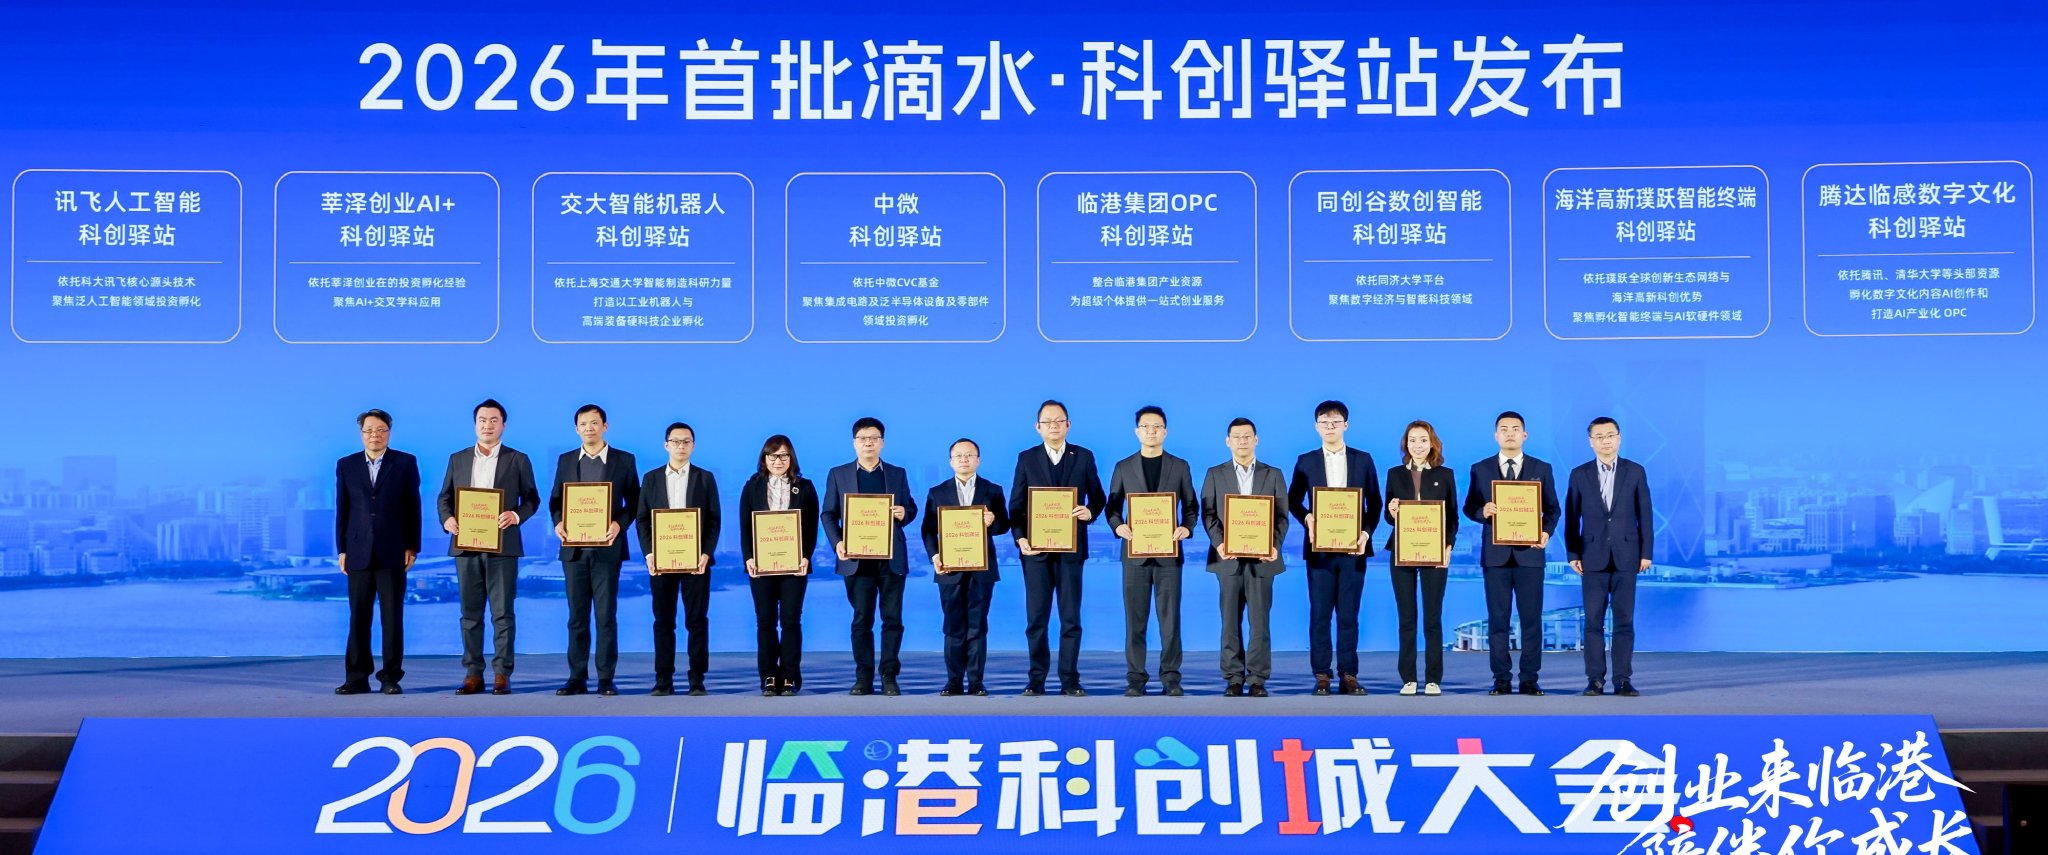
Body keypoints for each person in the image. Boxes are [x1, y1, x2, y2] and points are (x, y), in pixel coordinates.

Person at [437, 398, 540, 696]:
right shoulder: (457, 458)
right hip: (466, 545)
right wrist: (447, 519)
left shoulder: (517, 459)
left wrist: (516, 515)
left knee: (502, 613)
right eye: (482, 420)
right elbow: (444, 497)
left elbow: (532, 499)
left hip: (503, 546)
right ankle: (473, 673)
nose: (487, 425)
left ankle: (502, 673)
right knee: (470, 613)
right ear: (475, 424)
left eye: (494, 420)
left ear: (503, 425)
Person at [1008, 399, 1107, 697]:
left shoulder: (1083, 456)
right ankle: (1036, 680)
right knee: (1036, 620)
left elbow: (1098, 497)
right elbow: (1016, 505)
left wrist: (1090, 512)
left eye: (1059, 420)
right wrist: (1020, 538)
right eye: (1047, 421)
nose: (1054, 425)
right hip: (1035, 552)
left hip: (1071, 551)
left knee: (1070, 619)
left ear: (1068, 425)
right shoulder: (1027, 458)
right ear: (1037, 427)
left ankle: (1069, 680)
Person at [1461, 411, 1561, 697]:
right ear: (1496, 435)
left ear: (1524, 435)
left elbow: (1553, 509)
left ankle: (1529, 679)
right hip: (1496, 557)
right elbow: (1469, 507)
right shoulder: (1480, 469)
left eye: (1515, 429)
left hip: (1530, 556)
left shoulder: (1542, 468)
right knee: (1498, 620)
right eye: (1503, 429)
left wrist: (1546, 532)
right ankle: (1501, 679)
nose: (1509, 433)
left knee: (1531, 621)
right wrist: (1482, 511)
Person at [1286, 400, 1382, 696]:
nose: (1330, 427)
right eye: (1324, 422)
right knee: (1320, 614)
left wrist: (1365, 533)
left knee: (1349, 615)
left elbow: (1375, 503)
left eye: (1335, 422)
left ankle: (1349, 674)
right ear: (1316, 427)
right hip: (1320, 550)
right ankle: (1322, 675)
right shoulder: (1306, 461)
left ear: (1346, 425)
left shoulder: (1363, 459)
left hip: (1354, 549)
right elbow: (1292, 500)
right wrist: (1307, 518)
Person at [820, 417, 918, 696]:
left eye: (874, 438)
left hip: (891, 558)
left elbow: (910, 508)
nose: (868, 443)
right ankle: (863, 677)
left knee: (892, 620)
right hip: (856, 560)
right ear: (854, 443)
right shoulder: (838, 474)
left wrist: (904, 513)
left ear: (882, 442)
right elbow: (828, 514)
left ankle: (889, 675)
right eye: (863, 438)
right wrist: (837, 543)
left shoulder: (897, 473)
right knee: (861, 620)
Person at [1104, 406, 1197, 697]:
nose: (1151, 431)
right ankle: (1136, 678)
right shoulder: (1123, 467)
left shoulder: (1179, 466)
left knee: (1170, 622)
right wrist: (1118, 526)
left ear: (1165, 431)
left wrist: (1187, 528)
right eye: (1146, 426)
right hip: (1135, 554)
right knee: (1135, 621)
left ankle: (1171, 678)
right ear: (1137, 432)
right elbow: (1112, 507)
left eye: (1157, 426)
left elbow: (1191, 506)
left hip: (1169, 554)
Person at [548, 404, 640, 697]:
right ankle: (576, 678)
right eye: (583, 424)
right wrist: (558, 522)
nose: (589, 428)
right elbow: (555, 501)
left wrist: (619, 524)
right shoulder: (565, 460)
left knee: (605, 617)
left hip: (607, 549)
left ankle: (605, 679)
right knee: (576, 618)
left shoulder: (624, 460)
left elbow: (635, 503)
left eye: (595, 423)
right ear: (576, 429)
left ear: (605, 426)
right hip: (574, 550)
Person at [333, 408, 420, 695]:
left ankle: (390, 678)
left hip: (393, 550)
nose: (375, 435)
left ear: (389, 433)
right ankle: (356, 677)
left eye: (381, 430)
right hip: (357, 550)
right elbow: (343, 509)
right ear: (361, 434)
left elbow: (413, 507)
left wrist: (412, 546)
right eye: (369, 430)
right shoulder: (346, 465)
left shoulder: (405, 462)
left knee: (392, 618)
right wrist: (342, 549)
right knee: (358, 617)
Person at [1200, 418, 1289, 697]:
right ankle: (1233, 678)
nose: (1242, 441)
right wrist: (1220, 543)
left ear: (1256, 440)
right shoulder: (1215, 474)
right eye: (1236, 436)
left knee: (1260, 623)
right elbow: (1208, 514)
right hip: (1228, 559)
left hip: (1263, 560)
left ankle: (1258, 679)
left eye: (1247, 436)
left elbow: (1281, 517)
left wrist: (1274, 545)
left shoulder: (1273, 474)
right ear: (1228, 441)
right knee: (1229, 622)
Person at [1564, 416, 1653, 697]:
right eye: (1599, 437)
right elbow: (1571, 518)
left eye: (1610, 435)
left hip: (1628, 556)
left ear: (1619, 438)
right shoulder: (1579, 474)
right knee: (1593, 622)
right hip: (1592, 557)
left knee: (1624, 622)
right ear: (1591, 442)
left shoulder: (1635, 471)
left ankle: (1623, 680)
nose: (1605, 441)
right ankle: (1595, 680)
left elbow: (1645, 515)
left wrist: (1646, 553)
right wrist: (1572, 553)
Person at [635, 422, 720, 697]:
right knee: (663, 621)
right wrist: (650, 554)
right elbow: (642, 519)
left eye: (686, 441)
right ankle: (663, 679)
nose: (680, 446)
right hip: (661, 562)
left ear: (693, 445)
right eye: (675, 441)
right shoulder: (651, 478)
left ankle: (697, 679)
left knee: (697, 621)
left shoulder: (705, 478)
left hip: (697, 562)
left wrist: (706, 553)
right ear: (666, 445)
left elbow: (714, 520)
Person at [920, 438, 1010, 696]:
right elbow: (928, 530)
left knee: (978, 626)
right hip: (949, 569)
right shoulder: (937, 492)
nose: (964, 459)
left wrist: (993, 521)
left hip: (982, 568)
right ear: (950, 461)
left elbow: (1004, 525)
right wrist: (935, 556)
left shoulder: (993, 490)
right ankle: (953, 682)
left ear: (978, 460)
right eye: (958, 455)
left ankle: (976, 682)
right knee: (952, 627)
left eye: (969, 455)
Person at [739, 435, 819, 696]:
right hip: (761, 566)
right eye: (772, 456)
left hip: (795, 566)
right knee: (765, 622)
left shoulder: (805, 487)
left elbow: (811, 528)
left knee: (791, 621)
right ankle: (769, 677)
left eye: (784, 455)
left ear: (791, 458)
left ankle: (789, 676)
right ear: (764, 458)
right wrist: (749, 557)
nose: (778, 461)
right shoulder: (751, 487)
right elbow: (745, 526)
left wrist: (806, 556)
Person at [1384, 420, 1459, 697]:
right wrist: (1392, 511)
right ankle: (1408, 678)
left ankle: (1433, 679)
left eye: (1423, 440)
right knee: (1406, 618)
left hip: (1435, 553)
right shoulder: (1394, 474)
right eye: (1413, 440)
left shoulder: (1445, 475)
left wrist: (1448, 547)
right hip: (1402, 551)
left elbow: (1452, 517)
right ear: (1406, 444)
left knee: (1432, 618)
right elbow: (1388, 516)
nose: (1418, 445)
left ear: (1432, 443)